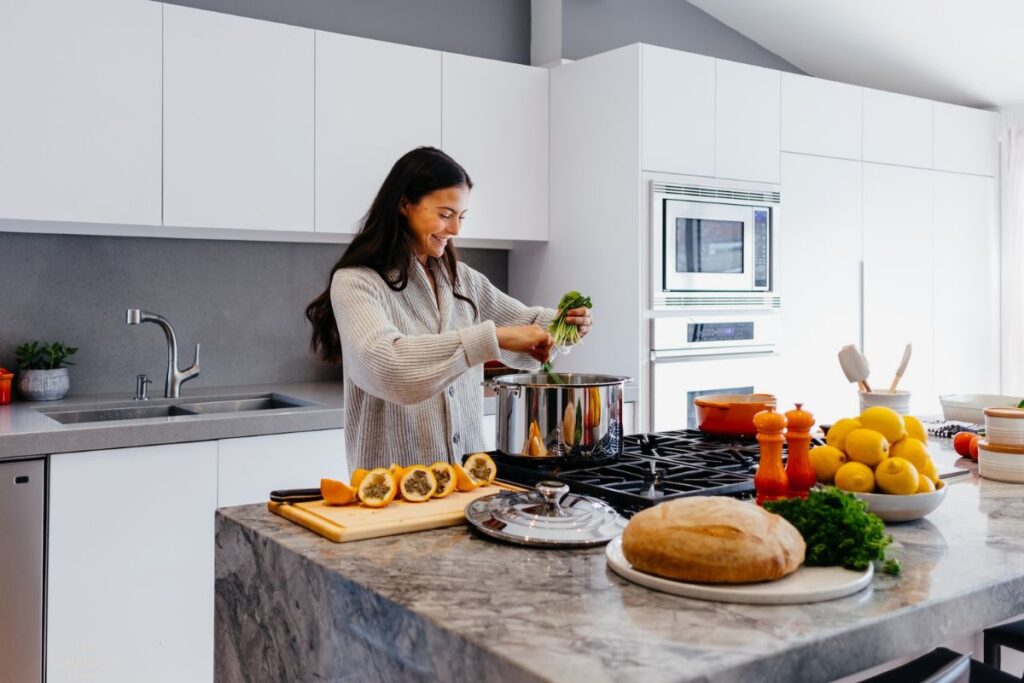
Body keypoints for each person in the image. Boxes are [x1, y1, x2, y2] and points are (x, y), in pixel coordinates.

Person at [306, 147, 593, 472]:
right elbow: (388, 367)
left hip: (469, 483)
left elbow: (526, 327)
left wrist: (563, 325)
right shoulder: (357, 282)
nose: (456, 229)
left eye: (461, 216)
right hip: (391, 491)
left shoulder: (462, 280)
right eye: (445, 214)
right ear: (403, 205)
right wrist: (491, 338)